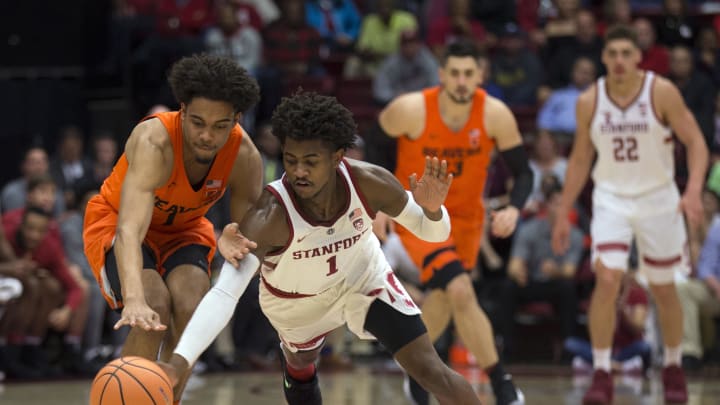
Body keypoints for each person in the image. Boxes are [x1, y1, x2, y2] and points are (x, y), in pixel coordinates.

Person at [159, 91, 483, 405]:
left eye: (310, 161)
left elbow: (435, 233)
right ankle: (297, 368)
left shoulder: (370, 183)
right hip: (297, 302)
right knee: (301, 366)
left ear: (337, 157)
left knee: (431, 370)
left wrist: (433, 211)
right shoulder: (268, 215)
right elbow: (224, 294)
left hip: (362, 279)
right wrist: (178, 363)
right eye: (291, 159)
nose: (299, 171)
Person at [82, 54, 262, 403]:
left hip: (186, 228)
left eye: (219, 126)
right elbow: (130, 231)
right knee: (154, 306)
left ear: (236, 120)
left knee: (193, 307)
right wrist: (134, 299)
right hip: (118, 222)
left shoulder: (245, 156)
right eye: (197, 122)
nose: (207, 135)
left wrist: (233, 235)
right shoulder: (154, 141)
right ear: (182, 110)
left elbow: (248, 240)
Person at [551, 25, 708, 404]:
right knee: (606, 280)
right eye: (612, 54)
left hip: (659, 198)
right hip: (612, 199)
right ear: (603, 58)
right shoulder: (590, 100)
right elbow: (580, 159)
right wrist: (562, 213)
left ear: (638, 56)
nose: (619, 60)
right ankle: (602, 372)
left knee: (664, 287)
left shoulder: (661, 91)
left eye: (626, 53)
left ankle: (672, 365)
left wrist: (692, 191)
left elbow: (696, 141)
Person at [377, 39, 532, 405]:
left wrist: (515, 208)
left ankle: (417, 376)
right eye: (455, 73)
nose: (462, 81)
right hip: (416, 214)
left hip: (465, 221)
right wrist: (379, 203)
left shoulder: (495, 114)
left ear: (481, 75)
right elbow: (375, 149)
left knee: (446, 298)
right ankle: (502, 385)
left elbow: (523, 174)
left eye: (469, 74)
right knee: (460, 288)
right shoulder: (410, 109)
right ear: (442, 74)